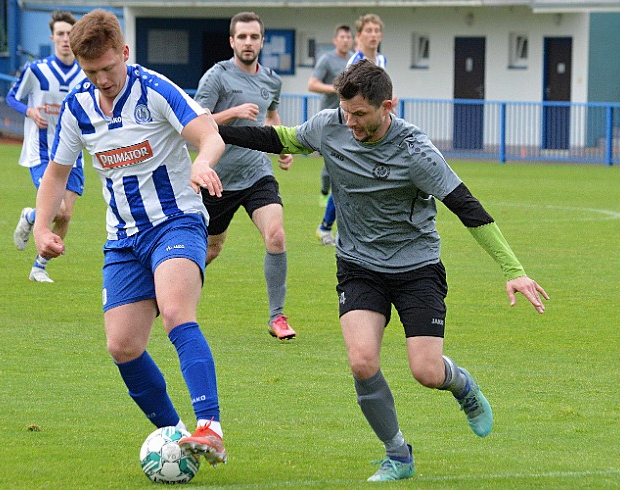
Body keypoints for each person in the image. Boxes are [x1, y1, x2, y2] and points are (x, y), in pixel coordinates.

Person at [216, 61, 549, 481]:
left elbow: (467, 207)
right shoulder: (329, 125)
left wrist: (513, 269)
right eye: (345, 112)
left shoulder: (416, 152)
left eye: (360, 115)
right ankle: (399, 456)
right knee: (361, 362)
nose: (350, 123)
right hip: (359, 266)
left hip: (417, 268)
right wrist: (210, 130)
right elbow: (275, 137)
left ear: (387, 106)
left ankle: (462, 386)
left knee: (426, 371)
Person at [33, 9, 227, 466]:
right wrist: (43, 227)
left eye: (108, 68)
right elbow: (56, 174)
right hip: (123, 239)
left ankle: (210, 427)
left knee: (177, 314)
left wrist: (203, 162)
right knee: (122, 345)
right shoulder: (78, 108)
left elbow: (209, 134)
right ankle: (176, 435)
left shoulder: (156, 90)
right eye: (90, 71)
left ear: (124, 52)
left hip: (177, 222)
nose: (101, 79)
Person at [194, 11, 296, 340]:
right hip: (216, 178)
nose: (248, 42)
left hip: (256, 174)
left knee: (276, 236)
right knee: (210, 250)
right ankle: (163, 290)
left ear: (262, 41)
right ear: (232, 41)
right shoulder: (217, 77)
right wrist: (233, 112)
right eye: (242, 37)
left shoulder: (271, 80)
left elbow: (271, 115)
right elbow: (196, 122)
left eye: (254, 37)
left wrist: (281, 143)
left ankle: (277, 317)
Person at [7, 10, 85, 283]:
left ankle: (39, 267)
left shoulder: (86, 73)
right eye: (60, 34)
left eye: (69, 34)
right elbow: (12, 97)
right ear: (52, 37)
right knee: (59, 210)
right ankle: (32, 215)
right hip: (41, 152)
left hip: (74, 154)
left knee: (65, 217)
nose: (65, 39)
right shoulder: (36, 70)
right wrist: (30, 112)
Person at [316, 13, 388, 246]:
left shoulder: (381, 60)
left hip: (375, 129)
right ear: (359, 36)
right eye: (369, 31)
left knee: (368, 179)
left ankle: (343, 229)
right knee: (350, 180)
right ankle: (329, 227)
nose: (374, 35)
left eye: (377, 31)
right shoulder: (355, 62)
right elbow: (346, 97)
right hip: (352, 129)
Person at [307, 24, 354, 216]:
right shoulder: (327, 60)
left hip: (351, 118)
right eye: (342, 37)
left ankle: (345, 195)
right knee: (331, 159)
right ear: (335, 40)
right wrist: (336, 90)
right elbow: (312, 85)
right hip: (330, 117)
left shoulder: (354, 59)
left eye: (348, 37)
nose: (345, 40)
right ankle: (325, 192)